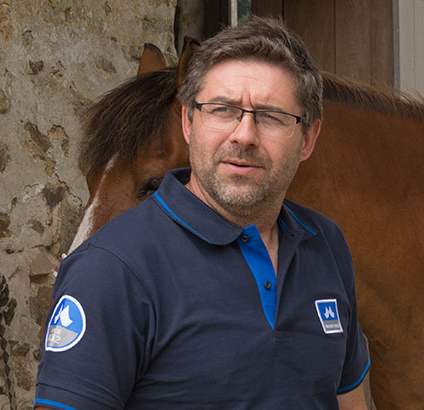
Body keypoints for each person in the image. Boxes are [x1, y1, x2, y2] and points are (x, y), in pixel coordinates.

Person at [35, 16, 370, 409]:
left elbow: (349, 401)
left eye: (271, 116)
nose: (244, 135)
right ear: (189, 122)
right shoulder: (109, 270)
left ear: (308, 139)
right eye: (222, 110)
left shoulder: (326, 244)